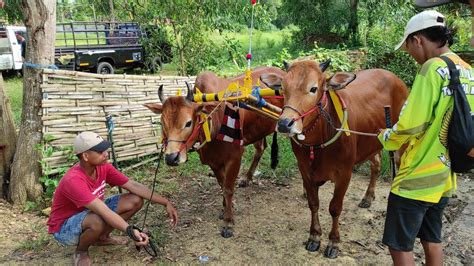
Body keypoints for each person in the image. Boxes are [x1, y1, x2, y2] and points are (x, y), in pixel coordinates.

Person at [377, 10, 473, 265]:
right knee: (432, 238)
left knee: (399, 245)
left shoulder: (431, 68)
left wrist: (387, 137)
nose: (411, 55)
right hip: (444, 176)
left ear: (417, 40)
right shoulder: (467, 70)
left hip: (417, 179)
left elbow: (411, 124)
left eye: (409, 47)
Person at [47, 131, 178, 266]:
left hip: (90, 213)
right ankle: (81, 251)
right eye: (100, 151)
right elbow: (102, 210)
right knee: (97, 220)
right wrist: (130, 231)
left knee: (135, 200)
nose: (106, 153)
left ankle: (102, 238)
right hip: (65, 228)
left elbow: (132, 185)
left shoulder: (103, 167)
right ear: (85, 156)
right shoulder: (73, 180)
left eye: (105, 149)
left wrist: (165, 202)